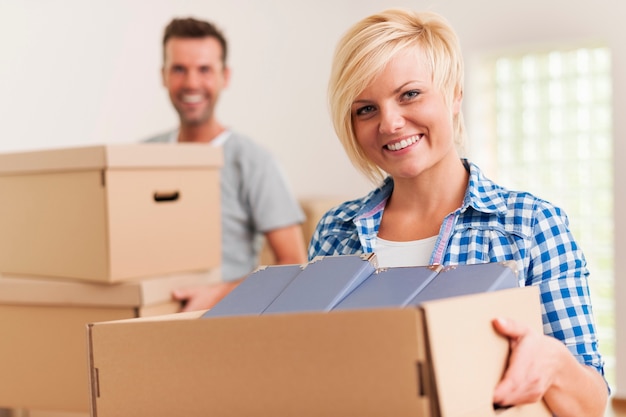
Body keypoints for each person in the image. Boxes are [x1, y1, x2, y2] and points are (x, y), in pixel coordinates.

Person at [308, 8, 609, 416]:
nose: (390, 123)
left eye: (409, 94)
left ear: (454, 94)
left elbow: (591, 406)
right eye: (366, 109)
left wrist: (553, 363)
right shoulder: (334, 231)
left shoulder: (530, 225)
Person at [146, 17, 307, 311]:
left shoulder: (254, 161)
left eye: (204, 70)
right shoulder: (141, 158)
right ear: (163, 75)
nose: (192, 83)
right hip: (148, 316)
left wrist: (218, 295)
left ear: (225, 76)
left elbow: (293, 263)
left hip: (222, 318)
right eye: (179, 69)